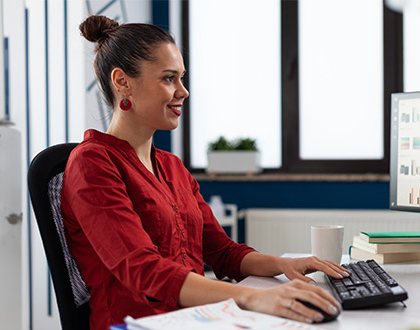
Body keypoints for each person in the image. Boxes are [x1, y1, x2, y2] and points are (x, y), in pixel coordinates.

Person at [61, 15, 350, 329]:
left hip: (197, 320)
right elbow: (143, 270)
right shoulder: (92, 163)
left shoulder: (172, 167)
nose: (183, 91)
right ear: (122, 82)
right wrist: (254, 298)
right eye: (168, 78)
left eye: (182, 78)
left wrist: (285, 265)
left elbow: (223, 252)